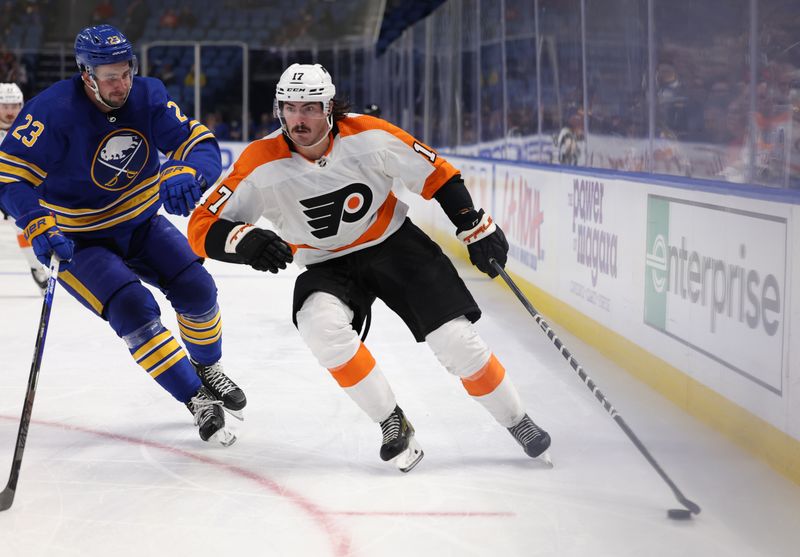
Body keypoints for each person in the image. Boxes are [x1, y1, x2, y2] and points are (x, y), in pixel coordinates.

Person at [187, 63, 551, 471]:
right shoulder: (259, 162)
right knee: (319, 326)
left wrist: (472, 223)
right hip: (325, 263)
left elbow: (437, 173)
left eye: (309, 108)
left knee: (455, 341)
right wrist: (242, 239)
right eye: (289, 108)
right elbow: (201, 226)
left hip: (395, 246)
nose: (298, 119)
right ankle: (392, 421)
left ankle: (517, 420)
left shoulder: (369, 134)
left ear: (330, 109)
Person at [0, 24, 246, 446]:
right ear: (86, 73)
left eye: (126, 71)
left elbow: (196, 141)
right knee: (134, 310)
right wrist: (37, 222)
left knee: (197, 289)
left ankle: (207, 368)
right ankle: (195, 397)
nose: (122, 83)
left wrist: (189, 170)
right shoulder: (50, 110)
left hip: (142, 224)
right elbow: (9, 178)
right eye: (110, 75)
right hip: (79, 240)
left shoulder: (147, 95)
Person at [0, 82, 49, 294]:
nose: (10, 111)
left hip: (14, 189)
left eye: (15, 105)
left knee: (24, 228)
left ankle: (37, 267)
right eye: (5, 106)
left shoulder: (30, 129)